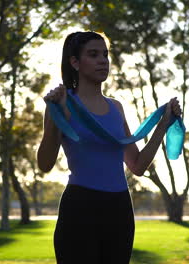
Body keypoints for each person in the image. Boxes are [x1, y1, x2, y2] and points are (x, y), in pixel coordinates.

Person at [37, 31, 181, 264]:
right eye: (93, 55)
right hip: (80, 207)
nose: (103, 60)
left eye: (105, 54)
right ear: (75, 62)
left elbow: (137, 165)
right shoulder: (61, 103)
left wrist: (162, 125)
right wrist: (55, 118)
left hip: (119, 208)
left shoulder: (117, 108)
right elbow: (44, 165)